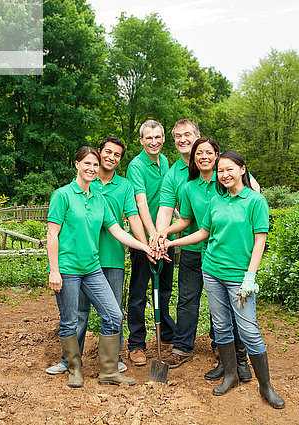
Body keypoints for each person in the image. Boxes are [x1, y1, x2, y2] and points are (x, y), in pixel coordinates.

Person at [155, 150, 285, 409]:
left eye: (230, 169)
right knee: (221, 325)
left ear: (242, 170)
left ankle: (266, 386)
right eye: (221, 170)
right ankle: (230, 374)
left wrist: (250, 276)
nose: (225, 175)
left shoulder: (255, 201)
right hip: (212, 271)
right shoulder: (216, 201)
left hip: (239, 278)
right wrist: (171, 242)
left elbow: (260, 241)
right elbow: (203, 232)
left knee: (248, 330)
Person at [47, 146, 152, 388]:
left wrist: (144, 247)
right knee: (70, 320)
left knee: (114, 315)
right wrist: (55, 270)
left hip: (92, 268)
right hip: (68, 268)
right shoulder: (62, 196)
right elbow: (53, 234)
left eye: (95, 165)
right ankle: (74, 367)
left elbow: (116, 231)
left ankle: (108, 371)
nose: (92, 168)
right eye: (87, 164)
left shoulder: (99, 198)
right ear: (76, 164)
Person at [154, 129, 253, 382]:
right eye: (199, 154)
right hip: (191, 251)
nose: (204, 157)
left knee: (223, 308)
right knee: (187, 300)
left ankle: (224, 352)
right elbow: (186, 221)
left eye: (209, 153)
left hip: (222, 255)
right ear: (194, 159)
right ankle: (182, 348)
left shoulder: (226, 184)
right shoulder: (188, 188)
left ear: (217, 156)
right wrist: (164, 232)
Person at [125, 120, 175, 366]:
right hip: (145, 240)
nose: (153, 141)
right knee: (138, 293)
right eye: (149, 138)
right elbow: (141, 203)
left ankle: (166, 333)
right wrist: (150, 241)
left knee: (164, 289)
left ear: (163, 138)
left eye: (157, 137)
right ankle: (136, 344)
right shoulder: (136, 166)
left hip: (167, 240)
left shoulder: (165, 162)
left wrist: (164, 236)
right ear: (142, 140)